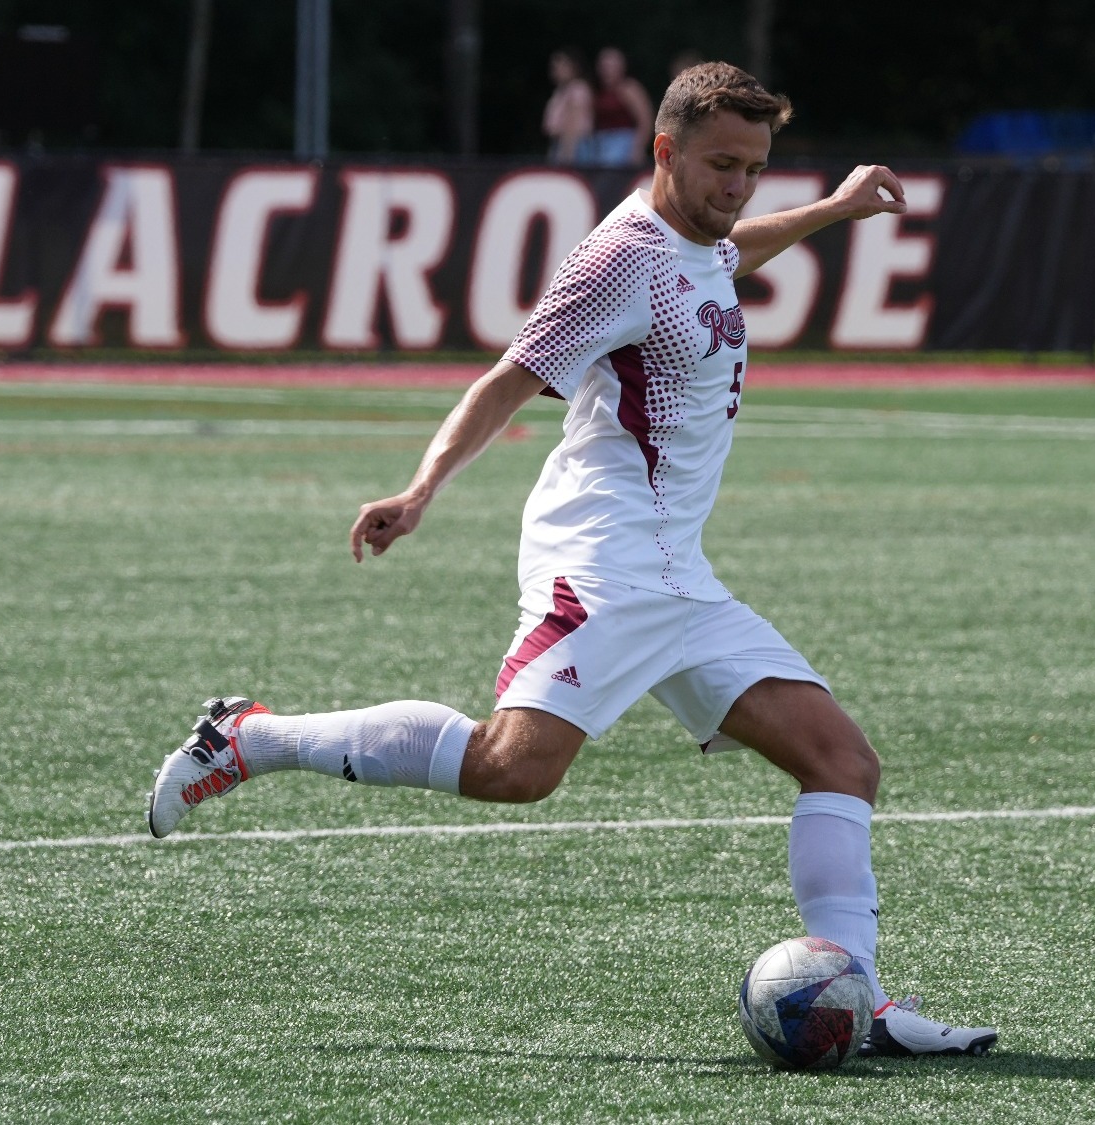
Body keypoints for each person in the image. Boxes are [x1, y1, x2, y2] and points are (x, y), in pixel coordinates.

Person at [146, 61, 997, 1059]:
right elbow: (507, 381)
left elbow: (728, 256)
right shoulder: (616, 259)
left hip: (677, 569)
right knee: (513, 771)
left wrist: (835, 208)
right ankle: (250, 738)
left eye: (753, 169)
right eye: (720, 165)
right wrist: (420, 490)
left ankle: (861, 1001)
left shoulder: (701, 240)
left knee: (841, 763)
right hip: (600, 557)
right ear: (663, 150)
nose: (736, 187)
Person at [590, 47, 652, 167]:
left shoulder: (630, 88)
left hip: (623, 143)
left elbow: (646, 121)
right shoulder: (598, 91)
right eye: (604, 66)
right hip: (600, 143)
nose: (606, 71)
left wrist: (637, 148)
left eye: (611, 66)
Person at [541, 47, 592, 165]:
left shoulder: (577, 89)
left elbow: (573, 123)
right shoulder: (561, 91)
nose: (556, 70)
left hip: (572, 144)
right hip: (559, 141)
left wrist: (567, 152)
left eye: (561, 66)